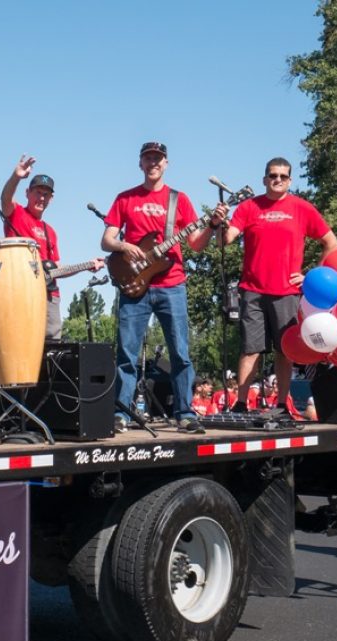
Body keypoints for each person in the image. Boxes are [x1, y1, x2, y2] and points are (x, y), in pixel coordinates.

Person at [101, 141, 227, 434]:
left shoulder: (179, 200)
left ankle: (184, 412)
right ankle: (121, 412)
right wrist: (125, 245)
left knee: (180, 352)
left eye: (158, 158)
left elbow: (195, 244)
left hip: (172, 284)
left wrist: (212, 225)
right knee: (127, 353)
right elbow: (107, 240)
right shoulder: (125, 198)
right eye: (148, 158)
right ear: (140, 163)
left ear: (166, 163)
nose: (153, 163)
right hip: (135, 283)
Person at [217, 157, 337, 414]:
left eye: (283, 176)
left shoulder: (302, 208)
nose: (278, 180)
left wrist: (312, 276)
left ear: (290, 181)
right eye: (273, 175)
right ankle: (241, 404)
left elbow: (331, 243)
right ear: (264, 179)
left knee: (285, 351)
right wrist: (221, 222)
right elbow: (225, 240)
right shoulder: (249, 207)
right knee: (250, 349)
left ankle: (283, 405)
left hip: (287, 292)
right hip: (253, 290)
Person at [0, 155, 104, 339]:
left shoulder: (51, 232)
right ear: (27, 193)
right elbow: (5, 198)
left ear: (51, 199)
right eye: (37, 192)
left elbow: (57, 269)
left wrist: (87, 265)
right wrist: (16, 176)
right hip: (22, 290)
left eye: (46, 194)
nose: (41, 198)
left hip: (50, 295)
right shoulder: (16, 214)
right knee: (22, 340)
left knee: (53, 346)